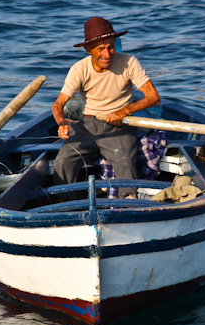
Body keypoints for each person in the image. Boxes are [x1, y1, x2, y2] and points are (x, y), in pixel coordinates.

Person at [52, 17, 160, 199]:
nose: (107, 54)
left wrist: (124, 111)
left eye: (110, 46)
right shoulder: (79, 69)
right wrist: (62, 122)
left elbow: (153, 97)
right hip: (88, 125)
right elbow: (58, 104)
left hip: (120, 125)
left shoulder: (129, 62)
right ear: (88, 50)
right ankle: (61, 203)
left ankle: (128, 203)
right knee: (63, 159)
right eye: (100, 49)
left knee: (125, 159)